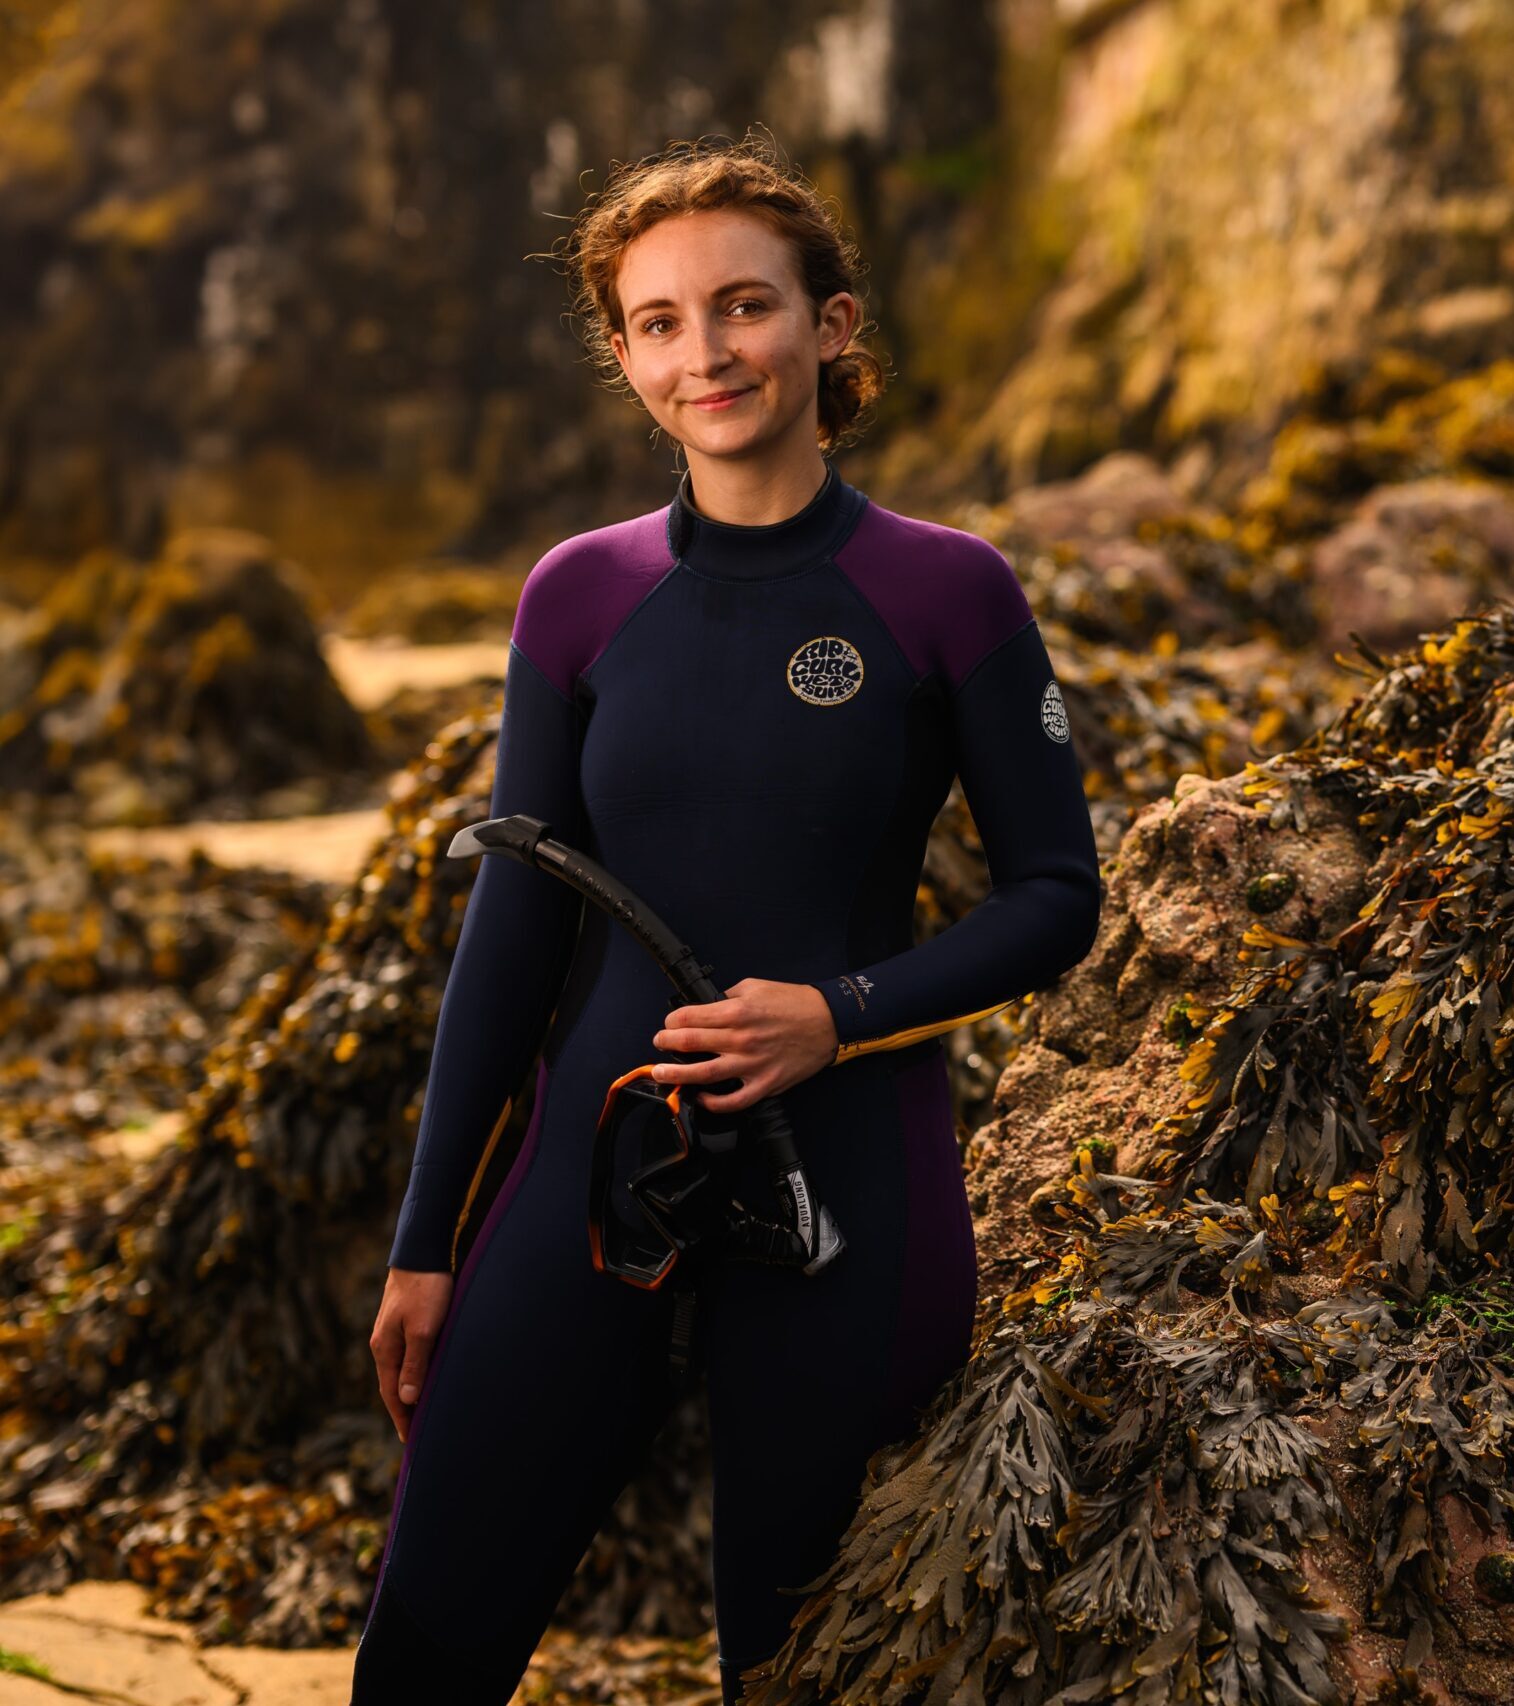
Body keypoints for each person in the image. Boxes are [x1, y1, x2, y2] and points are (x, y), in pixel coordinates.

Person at [349, 131, 1101, 1706]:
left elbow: (1055, 899)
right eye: (660, 322)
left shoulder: (946, 590)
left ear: (829, 327)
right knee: (429, 1635)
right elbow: (513, 933)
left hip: (850, 1189)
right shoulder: (576, 595)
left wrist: (838, 1010)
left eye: (743, 306)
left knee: (791, 1661)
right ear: (625, 357)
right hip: (587, 1170)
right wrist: (428, 1246)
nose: (709, 352)